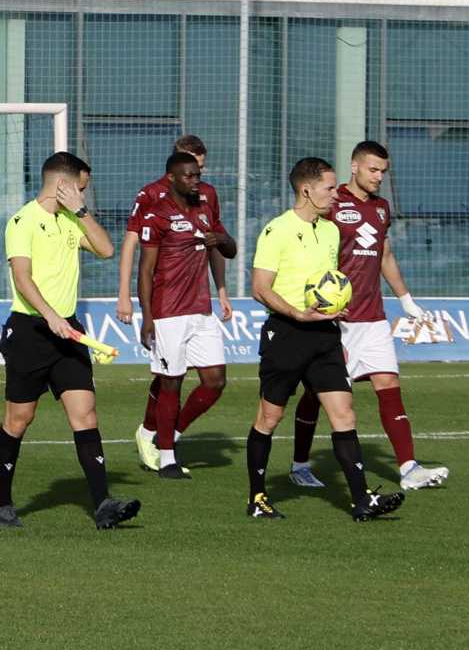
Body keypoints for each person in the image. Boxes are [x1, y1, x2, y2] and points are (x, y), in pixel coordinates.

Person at [243, 156, 402, 523]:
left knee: (344, 413)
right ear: (306, 190)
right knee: (270, 417)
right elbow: (259, 288)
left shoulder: (330, 230)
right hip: (287, 334)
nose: (336, 195)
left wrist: (336, 306)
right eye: (330, 188)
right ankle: (257, 498)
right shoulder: (277, 230)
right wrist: (298, 313)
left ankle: (362, 500)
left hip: (326, 335)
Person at [287, 141, 450, 494]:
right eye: (373, 170)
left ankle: (408, 468)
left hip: (373, 317)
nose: (378, 177)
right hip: (337, 320)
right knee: (316, 394)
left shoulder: (381, 208)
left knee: (388, 385)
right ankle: (300, 464)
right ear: (355, 166)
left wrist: (406, 300)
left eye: (383, 172)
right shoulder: (332, 202)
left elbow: (384, 254)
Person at [0, 152, 141, 531]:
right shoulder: (22, 221)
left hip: (69, 333)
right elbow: (22, 277)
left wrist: (82, 211)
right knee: (18, 419)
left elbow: (107, 250)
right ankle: (3, 505)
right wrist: (50, 316)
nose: (82, 194)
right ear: (63, 184)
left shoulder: (73, 218)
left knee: (85, 415)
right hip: (30, 331)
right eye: (80, 188)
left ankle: (103, 504)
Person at [122, 145, 234, 480]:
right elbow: (145, 270)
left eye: (198, 175)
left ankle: (168, 433)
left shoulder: (205, 208)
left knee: (215, 381)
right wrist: (147, 316)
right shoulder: (157, 214)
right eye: (189, 176)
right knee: (171, 382)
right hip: (168, 311)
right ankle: (168, 459)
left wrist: (219, 238)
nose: (196, 181)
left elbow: (229, 248)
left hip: (201, 309)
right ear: (171, 179)